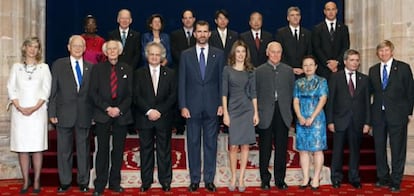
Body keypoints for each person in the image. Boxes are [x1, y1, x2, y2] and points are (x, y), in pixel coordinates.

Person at [178, 20, 225, 192]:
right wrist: (183, 105)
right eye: (199, 31)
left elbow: (222, 81)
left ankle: (209, 179)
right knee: (193, 143)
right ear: (195, 34)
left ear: (209, 34)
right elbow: (182, 81)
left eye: (205, 31)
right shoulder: (186, 55)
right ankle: (195, 179)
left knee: (211, 144)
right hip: (192, 107)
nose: (203, 34)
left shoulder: (219, 54)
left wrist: (221, 103)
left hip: (213, 106)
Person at [48, 35, 94, 193]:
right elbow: (53, 90)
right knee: (64, 150)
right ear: (68, 47)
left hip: (85, 114)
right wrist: (51, 111)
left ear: (84, 48)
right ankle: (65, 182)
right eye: (74, 45)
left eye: (80, 45)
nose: (77, 48)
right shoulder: (59, 65)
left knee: (83, 150)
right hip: (64, 113)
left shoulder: (91, 67)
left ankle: (83, 182)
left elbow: (93, 94)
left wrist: (94, 114)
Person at [7, 36, 51, 194]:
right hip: (19, 114)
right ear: (24, 48)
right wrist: (19, 107)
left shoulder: (44, 68)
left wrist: (33, 108)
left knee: (37, 148)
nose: (33, 49)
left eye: (36, 47)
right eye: (30, 46)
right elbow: (11, 89)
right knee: (22, 148)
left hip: (37, 113)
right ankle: (26, 180)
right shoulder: (16, 67)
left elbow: (46, 90)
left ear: (39, 50)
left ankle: (37, 179)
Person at [369, 40, 414, 192]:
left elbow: (410, 91)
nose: (383, 53)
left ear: (392, 51)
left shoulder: (403, 68)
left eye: (386, 50)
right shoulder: (373, 70)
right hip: (378, 116)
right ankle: (383, 178)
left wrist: (407, 112)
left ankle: (396, 180)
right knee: (379, 148)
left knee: (397, 149)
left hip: (398, 116)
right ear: (377, 53)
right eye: (381, 51)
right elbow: (371, 94)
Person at [89, 40, 133, 196]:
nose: (112, 51)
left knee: (118, 150)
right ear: (105, 52)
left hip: (121, 116)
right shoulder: (97, 69)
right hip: (103, 114)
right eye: (109, 49)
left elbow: (130, 95)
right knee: (102, 150)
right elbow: (93, 93)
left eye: (115, 49)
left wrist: (119, 109)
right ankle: (100, 184)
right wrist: (107, 108)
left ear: (119, 51)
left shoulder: (127, 68)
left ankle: (115, 183)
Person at [134, 42, 177, 192]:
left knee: (164, 150)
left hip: (163, 118)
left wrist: (159, 111)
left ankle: (165, 180)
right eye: (151, 54)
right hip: (144, 118)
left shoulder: (170, 73)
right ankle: (146, 181)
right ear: (147, 56)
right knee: (145, 151)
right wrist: (149, 111)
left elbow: (173, 96)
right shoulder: (139, 73)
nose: (154, 57)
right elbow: (136, 96)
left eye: (157, 55)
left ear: (162, 57)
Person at [327, 49, 370, 189]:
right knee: (337, 151)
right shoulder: (335, 77)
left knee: (355, 151)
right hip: (339, 120)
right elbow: (330, 101)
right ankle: (336, 177)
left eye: (357, 60)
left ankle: (354, 177)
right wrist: (330, 121)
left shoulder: (364, 79)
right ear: (345, 61)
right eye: (352, 60)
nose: (355, 63)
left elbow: (367, 103)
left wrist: (367, 122)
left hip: (357, 121)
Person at [255, 41, 294, 190]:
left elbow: (292, 92)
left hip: (283, 113)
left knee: (281, 148)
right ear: (267, 53)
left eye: (278, 52)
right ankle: (265, 179)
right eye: (273, 52)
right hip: (265, 114)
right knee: (264, 149)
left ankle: (280, 179)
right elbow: (255, 93)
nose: (276, 54)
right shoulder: (258, 71)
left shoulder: (288, 70)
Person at [222, 40, 259, 192]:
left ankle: (242, 178)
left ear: (246, 54)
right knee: (233, 146)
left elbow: (254, 93)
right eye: (238, 51)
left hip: (247, 109)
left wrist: (256, 112)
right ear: (233, 53)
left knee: (245, 146)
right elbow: (224, 93)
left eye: (243, 51)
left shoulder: (251, 71)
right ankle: (233, 177)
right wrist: (225, 112)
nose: (240, 54)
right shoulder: (227, 70)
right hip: (233, 110)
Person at [293, 56, 328, 190]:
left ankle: (316, 178)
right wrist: (300, 116)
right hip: (301, 118)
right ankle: (306, 177)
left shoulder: (322, 81)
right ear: (302, 67)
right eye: (305, 65)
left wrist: (312, 117)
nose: (308, 67)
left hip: (317, 119)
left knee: (317, 150)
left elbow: (323, 99)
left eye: (311, 65)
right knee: (303, 150)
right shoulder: (298, 82)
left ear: (316, 66)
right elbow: (295, 100)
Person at [108, 9, 140, 135]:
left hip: (131, 70)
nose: (125, 20)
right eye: (122, 18)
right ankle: (114, 122)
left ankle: (130, 124)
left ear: (131, 20)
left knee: (129, 95)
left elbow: (137, 54)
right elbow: (110, 52)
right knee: (116, 94)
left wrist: (129, 69)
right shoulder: (112, 34)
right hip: (115, 71)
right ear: (118, 19)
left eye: (127, 18)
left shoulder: (136, 35)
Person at [170, 9, 197, 135]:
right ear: (182, 20)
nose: (188, 20)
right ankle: (179, 125)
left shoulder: (198, 34)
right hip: (179, 69)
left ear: (194, 19)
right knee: (179, 96)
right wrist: (186, 62)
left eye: (190, 17)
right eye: (185, 18)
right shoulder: (175, 35)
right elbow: (174, 52)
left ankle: (193, 122)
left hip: (196, 72)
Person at [312, 1, 350, 79]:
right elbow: (316, 48)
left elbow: (345, 46)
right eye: (328, 10)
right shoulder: (317, 28)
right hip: (323, 69)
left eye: (333, 9)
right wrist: (327, 63)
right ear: (324, 12)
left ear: (336, 11)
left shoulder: (343, 28)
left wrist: (337, 62)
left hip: (339, 68)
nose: (331, 12)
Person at [275, 6, 312, 79]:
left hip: (303, 73)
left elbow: (309, 52)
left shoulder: (307, 33)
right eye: (292, 15)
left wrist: (304, 68)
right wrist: (290, 69)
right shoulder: (281, 33)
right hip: (286, 73)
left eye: (297, 15)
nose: (295, 17)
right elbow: (280, 54)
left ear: (300, 17)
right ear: (288, 18)